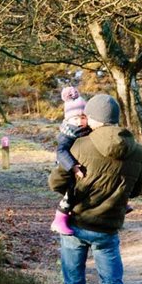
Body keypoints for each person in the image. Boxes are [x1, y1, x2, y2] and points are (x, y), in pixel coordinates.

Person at [48, 94, 142, 284]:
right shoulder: (136, 150)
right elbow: (136, 190)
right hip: (108, 227)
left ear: (92, 118)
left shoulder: (80, 145)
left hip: (75, 225)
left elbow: (56, 182)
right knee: (112, 281)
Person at [50, 86, 90, 235]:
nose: (79, 122)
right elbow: (61, 151)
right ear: (67, 119)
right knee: (71, 192)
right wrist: (73, 167)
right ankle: (59, 219)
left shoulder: (87, 130)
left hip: (81, 164)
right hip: (68, 166)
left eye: (83, 117)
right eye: (75, 118)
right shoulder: (67, 134)